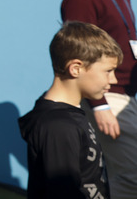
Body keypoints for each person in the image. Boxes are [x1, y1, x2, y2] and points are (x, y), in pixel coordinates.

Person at [61, 0, 137, 199]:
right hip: (108, 97)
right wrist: (100, 105)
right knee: (132, 175)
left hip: (126, 96)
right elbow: (78, 52)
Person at [18, 21, 121, 199]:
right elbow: (62, 191)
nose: (114, 80)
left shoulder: (71, 114)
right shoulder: (58, 126)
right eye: (108, 71)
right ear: (76, 69)